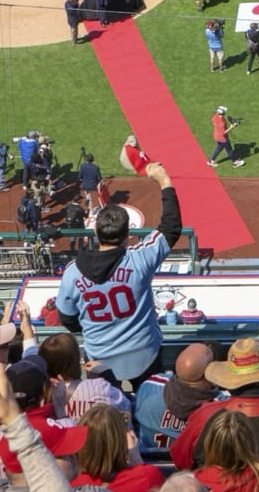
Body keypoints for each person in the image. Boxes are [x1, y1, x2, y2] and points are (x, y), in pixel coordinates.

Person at [55, 159, 181, 384]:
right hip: (145, 352)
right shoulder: (139, 259)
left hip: (99, 358)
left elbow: (67, 318)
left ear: (95, 230)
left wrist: (94, 330)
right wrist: (164, 181)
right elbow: (171, 228)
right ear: (126, 235)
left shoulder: (72, 273)